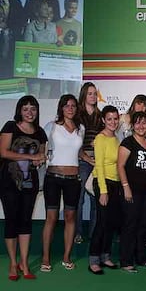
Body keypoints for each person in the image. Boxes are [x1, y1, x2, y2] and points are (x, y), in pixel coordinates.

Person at [0, 95, 47, 280]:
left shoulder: (41, 132)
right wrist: (31, 157)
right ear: (20, 110)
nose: (30, 112)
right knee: (11, 221)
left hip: (30, 182)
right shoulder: (10, 126)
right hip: (8, 181)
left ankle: (24, 263)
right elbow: (3, 152)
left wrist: (39, 160)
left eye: (33, 109)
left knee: (26, 221)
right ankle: (13, 263)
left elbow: (41, 156)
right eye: (26, 108)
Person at [41, 94, 85, 272]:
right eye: (66, 105)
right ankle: (45, 258)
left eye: (73, 105)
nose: (70, 108)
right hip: (53, 178)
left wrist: (93, 161)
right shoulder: (51, 126)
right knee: (51, 218)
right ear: (61, 107)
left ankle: (66, 256)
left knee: (70, 217)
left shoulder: (80, 128)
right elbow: (41, 149)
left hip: (73, 180)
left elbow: (80, 153)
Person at [118, 111, 146, 272]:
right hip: (131, 191)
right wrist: (126, 187)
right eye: (138, 123)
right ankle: (126, 261)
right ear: (133, 125)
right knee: (130, 225)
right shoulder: (128, 142)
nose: (141, 126)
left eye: (144, 123)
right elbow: (120, 166)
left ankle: (141, 258)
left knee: (143, 225)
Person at [88, 105, 121, 275]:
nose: (113, 122)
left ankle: (105, 255)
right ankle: (93, 259)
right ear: (103, 120)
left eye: (115, 119)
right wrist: (103, 191)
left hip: (115, 183)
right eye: (109, 119)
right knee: (101, 222)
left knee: (111, 223)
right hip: (103, 183)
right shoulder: (100, 139)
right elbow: (99, 165)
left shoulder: (116, 138)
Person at [74, 82, 101, 245]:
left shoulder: (100, 115)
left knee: (96, 198)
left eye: (94, 93)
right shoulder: (77, 115)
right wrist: (85, 157)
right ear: (84, 95)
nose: (93, 96)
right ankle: (77, 232)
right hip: (82, 160)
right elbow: (75, 141)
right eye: (90, 93)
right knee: (79, 198)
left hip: (98, 162)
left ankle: (93, 234)